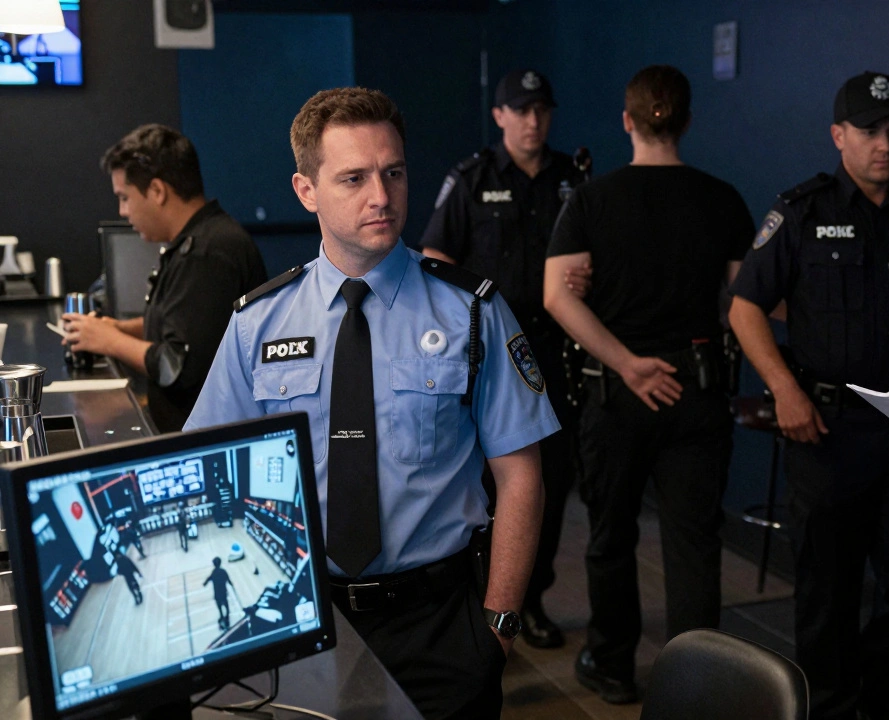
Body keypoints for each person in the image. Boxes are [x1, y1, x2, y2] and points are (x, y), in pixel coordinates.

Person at [185, 87, 557, 720]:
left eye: (394, 173)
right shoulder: (258, 324)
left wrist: (497, 625)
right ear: (306, 190)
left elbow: (521, 476)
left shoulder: (473, 312)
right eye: (354, 178)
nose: (381, 196)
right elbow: (209, 470)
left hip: (441, 625)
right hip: (297, 618)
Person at [727, 71, 889, 720]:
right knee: (827, 589)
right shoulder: (802, 211)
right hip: (826, 427)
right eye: (870, 131)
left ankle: (879, 692)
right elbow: (744, 307)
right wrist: (784, 390)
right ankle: (833, 707)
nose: (885, 144)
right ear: (838, 135)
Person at [544, 64, 755, 704]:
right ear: (687, 121)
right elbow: (744, 303)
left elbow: (556, 297)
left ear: (627, 121)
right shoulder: (722, 199)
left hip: (618, 395)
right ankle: (699, 682)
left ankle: (611, 664)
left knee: (611, 536)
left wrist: (627, 363)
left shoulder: (592, 200)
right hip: (696, 389)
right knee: (694, 543)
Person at [420, 68, 590, 649]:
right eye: (520, 110)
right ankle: (478, 600)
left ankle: (528, 600)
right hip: (488, 353)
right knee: (489, 484)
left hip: (552, 350)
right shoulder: (473, 178)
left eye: (541, 109)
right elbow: (436, 256)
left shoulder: (573, 178)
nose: (533, 121)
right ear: (499, 116)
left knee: (550, 480)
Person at [61, 125, 268, 433]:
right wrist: (118, 328)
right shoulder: (197, 242)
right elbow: (184, 325)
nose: (123, 211)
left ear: (157, 191)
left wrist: (110, 341)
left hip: (202, 439)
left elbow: (177, 367)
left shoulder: (207, 253)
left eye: (124, 198)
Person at [204, 556, 235, 630]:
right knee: (226, 605)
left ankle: (221, 615)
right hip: (223, 592)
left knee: (219, 606)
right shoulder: (223, 571)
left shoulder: (214, 572)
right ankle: (227, 616)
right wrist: (231, 584)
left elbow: (209, 578)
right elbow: (228, 579)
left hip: (217, 592)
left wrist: (205, 583)